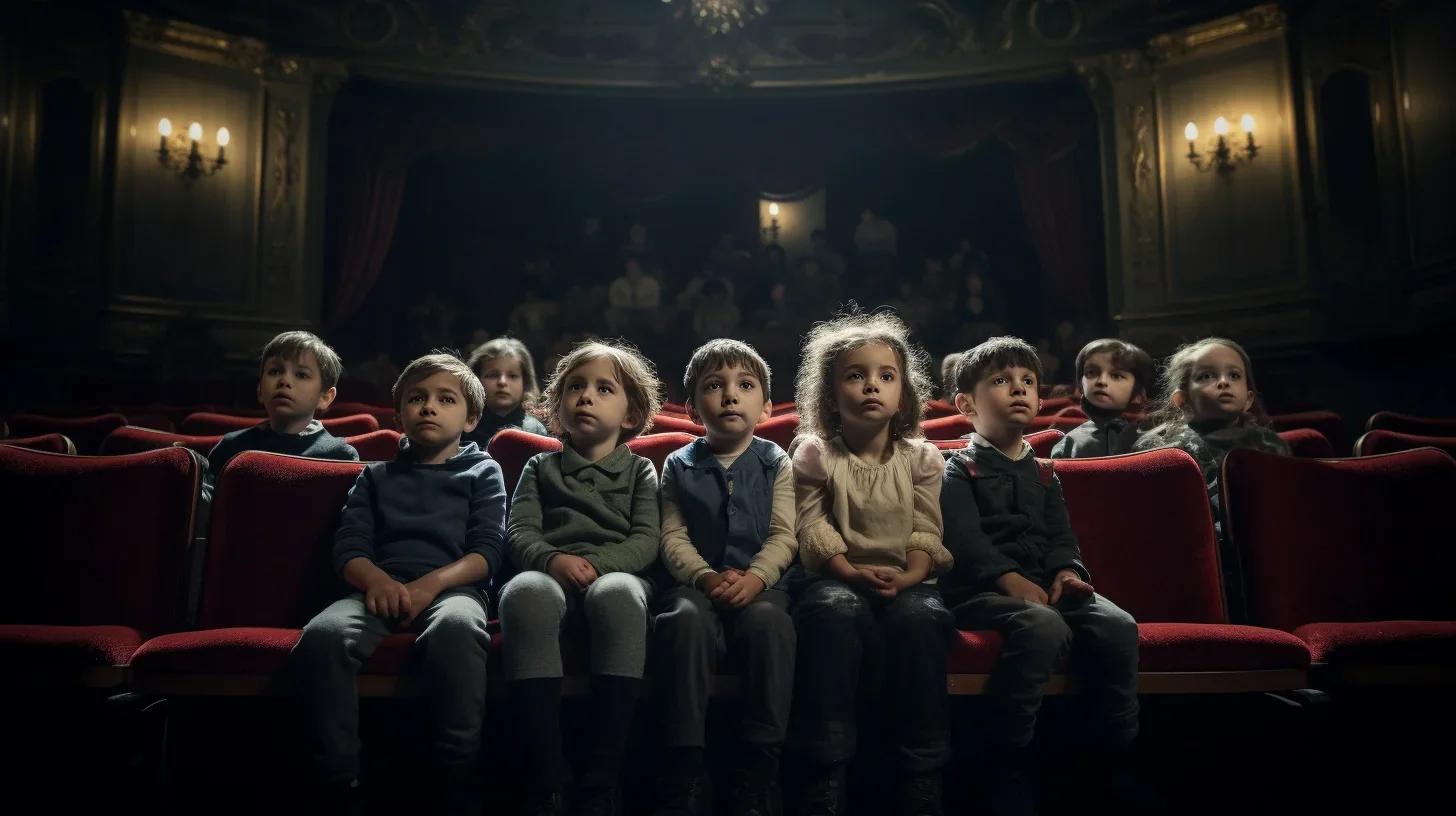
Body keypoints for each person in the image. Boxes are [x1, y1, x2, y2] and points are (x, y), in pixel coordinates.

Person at [291, 351, 506, 815]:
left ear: (471, 419)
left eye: (446, 399)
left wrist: (430, 585)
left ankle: (457, 772)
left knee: (458, 629)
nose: (429, 407)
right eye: (416, 398)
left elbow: (487, 552)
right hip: (377, 589)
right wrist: (377, 581)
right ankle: (340, 779)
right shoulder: (376, 476)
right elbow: (350, 548)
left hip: (453, 590)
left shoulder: (483, 471)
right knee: (323, 637)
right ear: (399, 415)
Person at [939, 336, 1141, 816]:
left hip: (1047, 585)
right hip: (983, 592)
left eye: (1027, 381)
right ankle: (1005, 759)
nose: (1018, 389)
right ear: (966, 404)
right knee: (1043, 626)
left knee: (1118, 626)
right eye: (1001, 380)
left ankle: (1114, 754)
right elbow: (966, 542)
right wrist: (1009, 579)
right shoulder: (957, 469)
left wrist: (1067, 571)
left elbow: (1061, 536)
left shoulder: (1045, 471)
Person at [789, 310, 955, 816]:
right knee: (834, 610)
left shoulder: (921, 458)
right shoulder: (817, 454)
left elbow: (926, 529)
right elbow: (812, 527)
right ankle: (826, 769)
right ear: (830, 394)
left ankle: (922, 773)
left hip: (909, 579)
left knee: (922, 617)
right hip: (834, 576)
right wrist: (848, 572)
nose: (871, 386)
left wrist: (910, 576)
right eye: (855, 376)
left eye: (886, 376)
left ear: (903, 394)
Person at [498, 340, 665, 816]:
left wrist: (601, 565)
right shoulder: (540, 467)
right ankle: (547, 775)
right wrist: (552, 560)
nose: (586, 396)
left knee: (618, 594)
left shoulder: (640, 471)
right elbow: (519, 531)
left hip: (616, 574)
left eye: (603, 389)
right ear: (558, 407)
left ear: (632, 415)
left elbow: (647, 539)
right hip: (549, 573)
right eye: (575, 387)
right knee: (523, 593)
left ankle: (602, 775)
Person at [653, 339, 797, 816]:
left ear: (767, 407)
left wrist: (756, 578)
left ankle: (760, 770)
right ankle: (685, 768)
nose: (731, 395)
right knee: (683, 621)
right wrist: (704, 577)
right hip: (696, 585)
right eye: (715, 386)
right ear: (693, 408)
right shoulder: (678, 464)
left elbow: (784, 534)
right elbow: (672, 536)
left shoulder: (777, 461)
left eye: (745, 385)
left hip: (763, 586)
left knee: (770, 624)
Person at [1134, 337, 1291, 543]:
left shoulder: (1270, 444)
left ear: (1248, 399)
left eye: (1234, 375)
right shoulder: (1163, 449)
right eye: (1206, 376)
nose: (1224, 382)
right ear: (1182, 399)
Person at [203, 331, 358, 503]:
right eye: (275, 371)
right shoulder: (231, 447)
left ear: (325, 397)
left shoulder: (340, 457)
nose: (284, 381)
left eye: (301, 375)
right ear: (260, 390)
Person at [1050, 339, 1154, 459]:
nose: (1101, 381)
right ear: (1081, 384)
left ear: (1139, 394)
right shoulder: (1070, 444)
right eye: (1092, 372)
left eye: (1116, 376)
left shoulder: (1151, 443)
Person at [464, 337, 550, 447]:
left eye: (512, 376)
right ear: (476, 380)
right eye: (493, 375)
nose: (502, 382)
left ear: (525, 382)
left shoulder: (536, 431)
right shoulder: (463, 428)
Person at [607, 258, 662, 335]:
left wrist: (639, 305)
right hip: (624, 312)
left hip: (646, 312)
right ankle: (616, 338)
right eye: (629, 268)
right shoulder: (618, 284)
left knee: (655, 315)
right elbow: (615, 302)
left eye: (634, 268)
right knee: (611, 314)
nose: (632, 270)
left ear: (640, 268)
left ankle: (655, 337)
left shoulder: (651, 282)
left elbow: (655, 302)